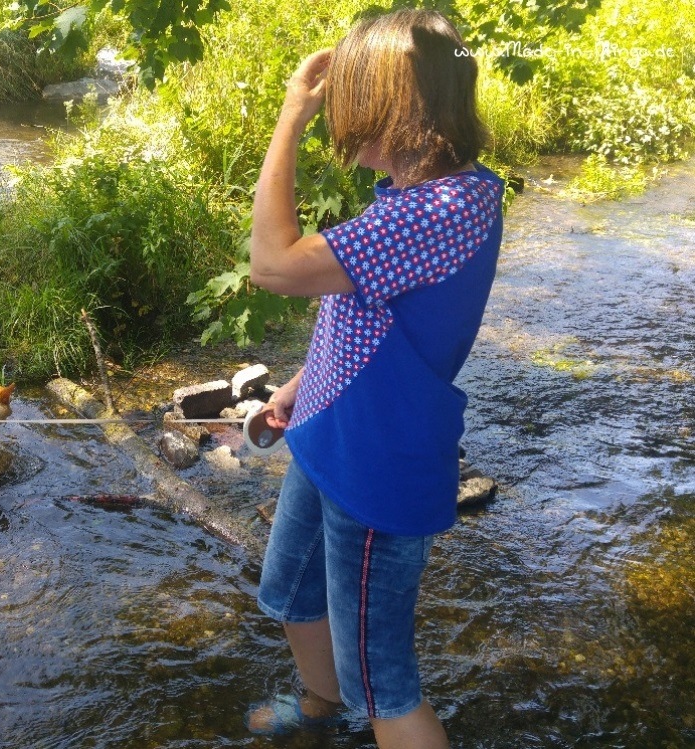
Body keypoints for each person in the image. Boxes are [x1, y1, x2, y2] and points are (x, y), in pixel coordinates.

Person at [246, 9, 505, 748]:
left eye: (352, 105)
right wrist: (302, 384)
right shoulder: (417, 196)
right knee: (292, 592)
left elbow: (272, 264)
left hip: (376, 463)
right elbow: (371, 314)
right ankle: (318, 710)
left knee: (382, 682)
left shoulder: (441, 208)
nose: (341, 123)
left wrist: (289, 116)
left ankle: (346, 705)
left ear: (404, 109)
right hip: (331, 434)